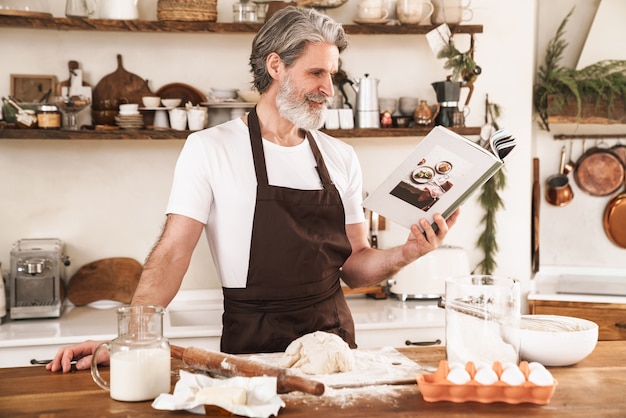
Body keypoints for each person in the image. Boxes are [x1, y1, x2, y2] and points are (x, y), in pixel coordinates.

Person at [47, 6, 459, 373]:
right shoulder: (210, 148)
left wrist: (410, 252)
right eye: (316, 72)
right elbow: (173, 252)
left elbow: (355, 267)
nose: (328, 89)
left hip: (334, 348)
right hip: (253, 350)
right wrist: (132, 337)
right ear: (276, 65)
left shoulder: (340, 157)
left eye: (331, 75)